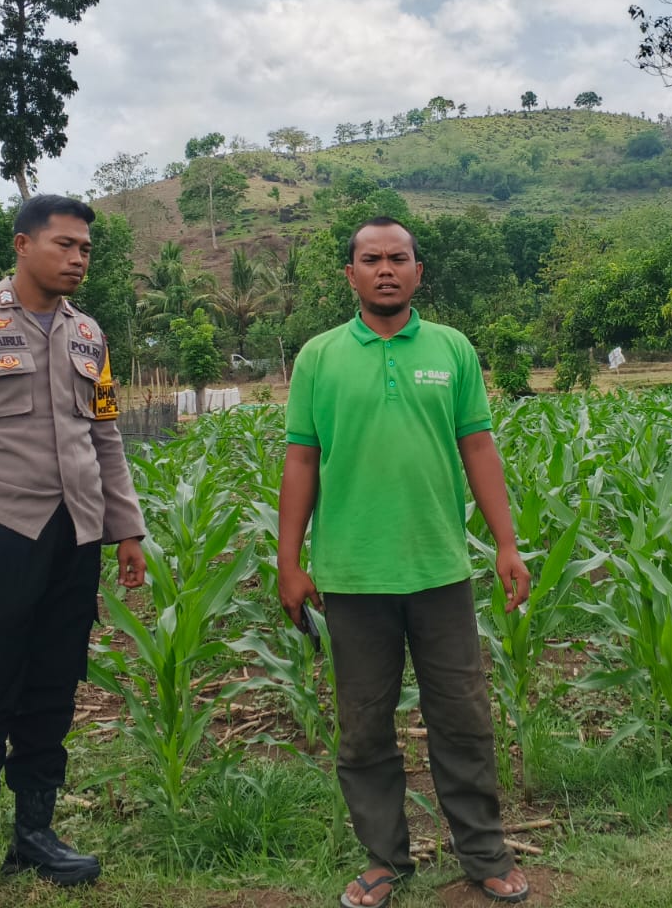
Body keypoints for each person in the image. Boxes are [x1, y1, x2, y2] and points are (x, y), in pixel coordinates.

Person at [278, 217, 533, 907]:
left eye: (398, 258)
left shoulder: (451, 350)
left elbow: (478, 447)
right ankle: (384, 860)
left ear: (419, 272)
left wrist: (506, 544)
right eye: (371, 259)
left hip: (439, 570)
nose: (385, 269)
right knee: (364, 727)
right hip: (352, 576)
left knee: (463, 718)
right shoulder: (319, 357)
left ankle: (484, 853)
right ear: (350, 275)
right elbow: (301, 460)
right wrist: (288, 562)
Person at [0, 194, 147, 908]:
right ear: (22, 245)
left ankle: (34, 833)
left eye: (86, 249)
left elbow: (105, 435)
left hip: (76, 538)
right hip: (0, 530)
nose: (78, 258)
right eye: (64, 245)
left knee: (51, 689)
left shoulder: (88, 335)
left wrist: (126, 529)